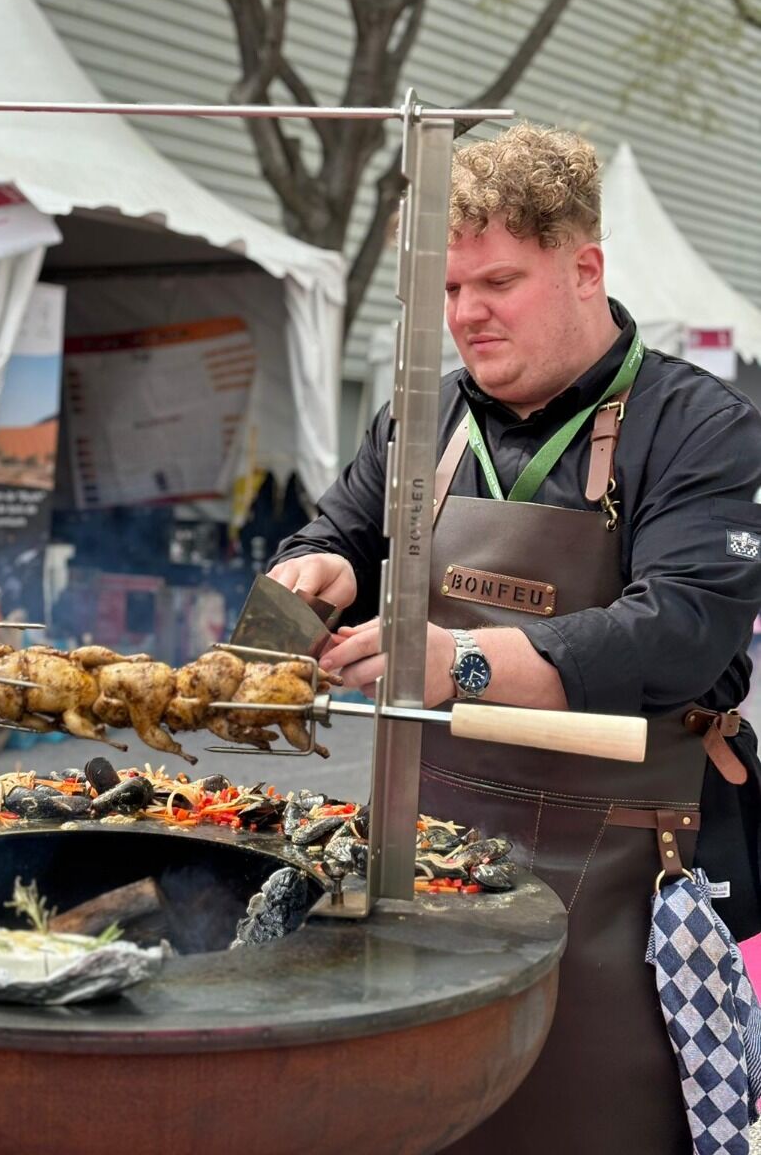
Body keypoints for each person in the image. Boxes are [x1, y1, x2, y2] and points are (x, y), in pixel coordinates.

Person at [269, 123, 761, 1154]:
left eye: (496, 282)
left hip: (621, 868)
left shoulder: (701, 427)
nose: (465, 317)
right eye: (448, 293)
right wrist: (305, 583)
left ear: (585, 267)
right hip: (421, 851)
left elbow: (680, 628)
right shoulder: (424, 417)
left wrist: (463, 664)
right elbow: (337, 531)